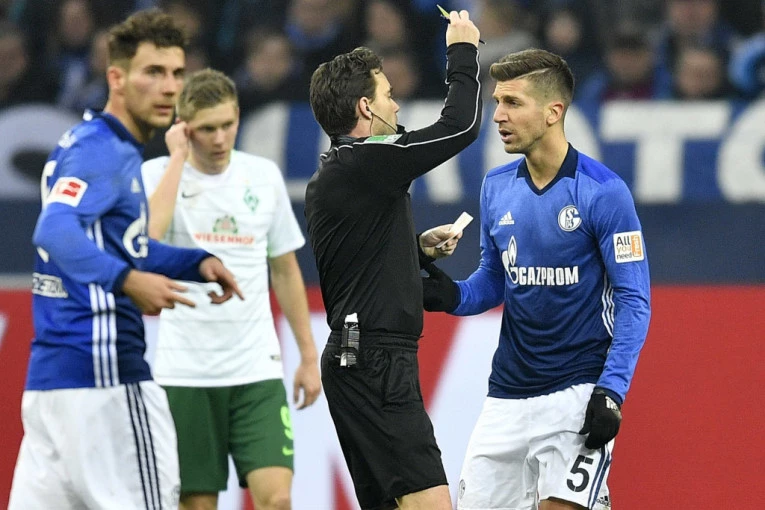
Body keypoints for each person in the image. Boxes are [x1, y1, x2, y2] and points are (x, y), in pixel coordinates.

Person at [8, 9, 244, 510]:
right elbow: (53, 229)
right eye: (153, 72)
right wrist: (127, 280)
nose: (169, 87)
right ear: (116, 78)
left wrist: (193, 262)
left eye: (176, 73)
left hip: (51, 387)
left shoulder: (86, 143)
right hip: (108, 381)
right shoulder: (105, 153)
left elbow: (121, 245)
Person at [422, 48, 651, 510]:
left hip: (576, 391)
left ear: (553, 112)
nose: (498, 116)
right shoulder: (496, 186)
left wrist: (611, 391)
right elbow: (494, 279)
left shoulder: (604, 192)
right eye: (497, 102)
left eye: (512, 102)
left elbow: (634, 300)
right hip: (506, 395)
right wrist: (451, 295)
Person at [304, 9, 482, 510]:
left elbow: (358, 265)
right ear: (366, 107)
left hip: (357, 357)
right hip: (375, 361)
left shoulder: (338, 172)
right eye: (387, 95)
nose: (397, 104)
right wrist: (463, 49)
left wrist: (415, 248)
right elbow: (461, 125)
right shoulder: (367, 160)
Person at [141, 68, 322, 510]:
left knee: (277, 500)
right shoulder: (155, 175)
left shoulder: (262, 175)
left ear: (238, 116)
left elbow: (284, 269)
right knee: (197, 505)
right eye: (207, 129)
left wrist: (308, 356)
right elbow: (147, 242)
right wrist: (177, 161)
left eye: (227, 124)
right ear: (183, 128)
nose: (220, 138)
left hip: (255, 369)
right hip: (185, 372)